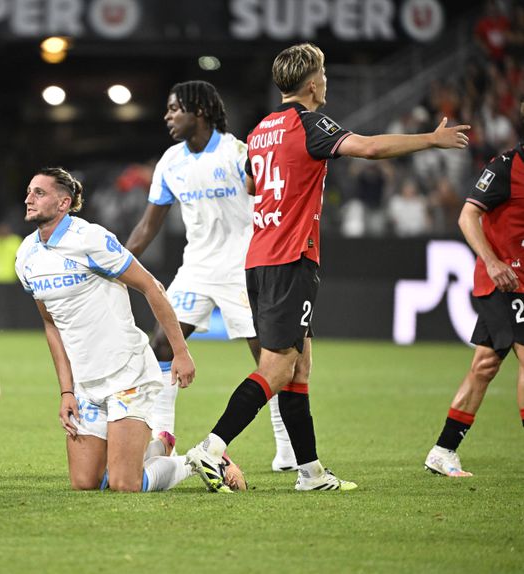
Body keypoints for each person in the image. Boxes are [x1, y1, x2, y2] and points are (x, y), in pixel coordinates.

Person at [185, 42, 469, 492]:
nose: (326, 82)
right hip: (291, 258)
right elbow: (370, 148)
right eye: (325, 74)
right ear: (313, 83)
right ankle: (211, 448)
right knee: (277, 370)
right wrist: (431, 140)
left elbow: (252, 181)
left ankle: (311, 473)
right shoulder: (310, 122)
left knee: (299, 369)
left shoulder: (261, 130)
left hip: (259, 257)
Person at [15, 167, 242, 494]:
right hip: (86, 382)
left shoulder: (90, 239)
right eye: (29, 191)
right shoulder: (26, 256)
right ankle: (159, 448)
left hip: (127, 375)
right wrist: (67, 391)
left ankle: (200, 460)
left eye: (39, 192)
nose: (29, 199)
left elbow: (152, 287)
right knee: (85, 483)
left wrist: (180, 351)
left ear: (64, 203)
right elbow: (51, 324)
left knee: (125, 484)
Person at [125, 80, 296, 472]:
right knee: (163, 344)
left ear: (199, 111)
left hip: (243, 267)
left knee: (267, 359)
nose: (167, 116)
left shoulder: (239, 154)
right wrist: (118, 263)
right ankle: (163, 436)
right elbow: (148, 226)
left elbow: (271, 204)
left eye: (174, 109)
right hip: (197, 269)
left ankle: (285, 448)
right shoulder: (171, 161)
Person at [424, 100, 524, 477]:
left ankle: (443, 450)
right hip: (506, 281)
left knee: (484, 365)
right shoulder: (506, 167)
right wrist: (493, 261)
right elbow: (468, 216)